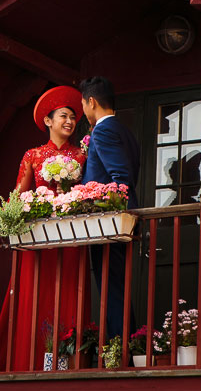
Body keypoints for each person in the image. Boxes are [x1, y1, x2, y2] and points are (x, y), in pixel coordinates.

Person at [0, 86, 87, 372]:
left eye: (73, 118)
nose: (69, 122)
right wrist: (1, 214)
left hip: (69, 238)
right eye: (64, 116)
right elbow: (19, 193)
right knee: (34, 299)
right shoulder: (33, 155)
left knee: (70, 296)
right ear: (48, 121)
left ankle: (68, 363)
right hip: (38, 239)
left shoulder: (81, 155)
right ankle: (30, 363)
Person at [79, 76, 140, 339]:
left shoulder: (102, 131)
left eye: (83, 104)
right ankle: (129, 344)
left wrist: (92, 199)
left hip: (109, 222)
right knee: (117, 286)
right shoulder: (125, 131)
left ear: (91, 102)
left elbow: (121, 179)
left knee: (111, 288)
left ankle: (119, 350)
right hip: (122, 221)